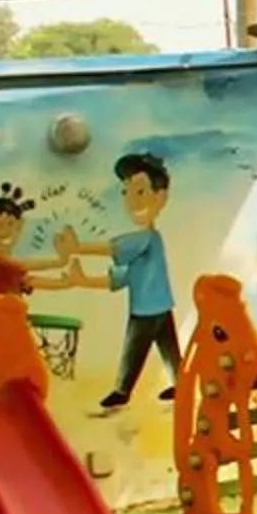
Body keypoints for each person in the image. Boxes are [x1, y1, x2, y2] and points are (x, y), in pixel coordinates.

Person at [56, 153, 181, 408]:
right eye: (126, 192)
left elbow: (114, 248)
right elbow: (117, 279)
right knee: (169, 349)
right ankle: (180, 383)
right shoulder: (143, 246)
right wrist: (83, 280)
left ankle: (122, 391)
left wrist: (78, 248)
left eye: (140, 192)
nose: (132, 201)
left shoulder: (146, 238)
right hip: (159, 306)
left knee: (134, 350)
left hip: (146, 311)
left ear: (161, 196)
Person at [0, 184, 79, 360]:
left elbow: (33, 281)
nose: (5, 232)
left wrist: (66, 283)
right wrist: (60, 261)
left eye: (10, 224)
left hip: (9, 329)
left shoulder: (11, 268)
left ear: (19, 226)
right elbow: (26, 265)